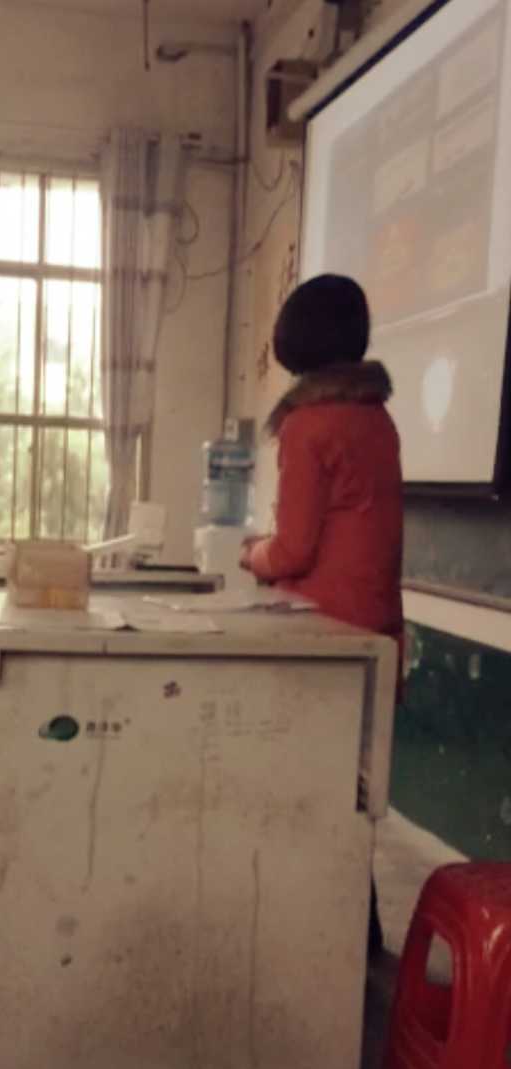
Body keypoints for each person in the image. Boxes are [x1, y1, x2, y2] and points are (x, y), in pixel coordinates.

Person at [240, 273, 403, 959]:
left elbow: (294, 550)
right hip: (377, 628)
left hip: (320, 632)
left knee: (300, 785)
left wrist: (251, 553)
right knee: (349, 792)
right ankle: (360, 940)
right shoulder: (377, 418)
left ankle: (314, 942)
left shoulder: (308, 424)